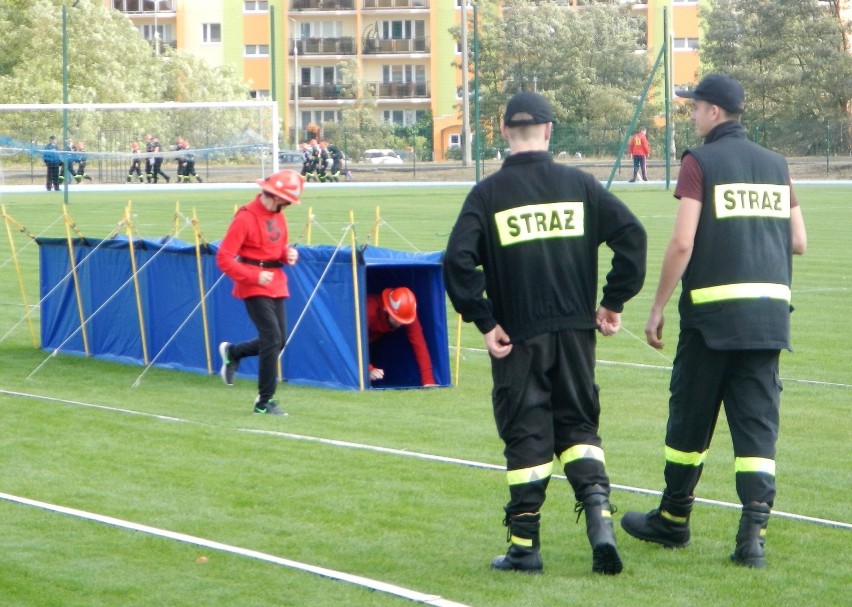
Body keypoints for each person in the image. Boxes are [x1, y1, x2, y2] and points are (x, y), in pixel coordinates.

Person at [443, 91, 647, 576]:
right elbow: (632, 236)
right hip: (577, 333)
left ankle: (524, 547)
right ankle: (599, 520)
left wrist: (485, 320)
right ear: (550, 130)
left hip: (519, 337)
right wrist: (612, 301)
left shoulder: (488, 194)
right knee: (579, 427)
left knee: (527, 433)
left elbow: (457, 261)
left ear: (504, 133)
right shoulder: (580, 184)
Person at [619, 74, 808, 569]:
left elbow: (682, 243)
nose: (692, 115)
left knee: (691, 416)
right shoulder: (775, 164)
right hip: (768, 320)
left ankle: (674, 518)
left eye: (695, 107)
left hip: (712, 321)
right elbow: (799, 240)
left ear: (715, 113)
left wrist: (657, 307)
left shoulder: (699, 162)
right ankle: (752, 536)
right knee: (756, 427)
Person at [216, 169, 304, 416]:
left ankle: (234, 352)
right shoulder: (245, 218)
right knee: (272, 338)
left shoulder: (278, 217)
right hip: (253, 284)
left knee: (278, 340)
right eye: (287, 202)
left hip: (276, 282)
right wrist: (253, 275)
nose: (287, 207)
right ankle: (264, 402)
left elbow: (276, 248)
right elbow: (224, 258)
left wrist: (287, 254)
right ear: (277, 197)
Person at [366, 286, 436, 386]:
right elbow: (349, 341)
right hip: (354, 341)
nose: (400, 324)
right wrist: (367, 368)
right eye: (397, 319)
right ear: (386, 309)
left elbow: (419, 345)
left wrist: (428, 381)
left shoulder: (406, 313)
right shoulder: (370, 310)